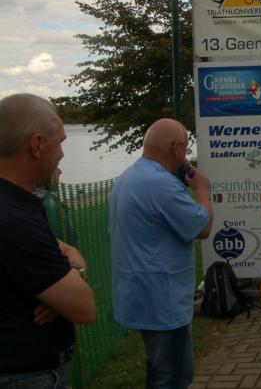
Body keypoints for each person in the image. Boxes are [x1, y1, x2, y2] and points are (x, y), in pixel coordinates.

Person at [0, 93, 96, 388]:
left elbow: (61, 249)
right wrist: (75, 271)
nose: (63, 155)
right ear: (37, 144)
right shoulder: (15, 220)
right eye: (61, 142)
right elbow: (84, 307)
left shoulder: (16, 204)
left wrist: (61, 278)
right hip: (27, 377)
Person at [109, 118, 213, 389]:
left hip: (139, 293)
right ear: (176, 148)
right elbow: (202, 227)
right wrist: (203, 190)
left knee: (160, 371)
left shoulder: (128, 177)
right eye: (185, 148)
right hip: (162, 300)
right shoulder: (161, 184)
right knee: (172, 377)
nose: (186, 155)